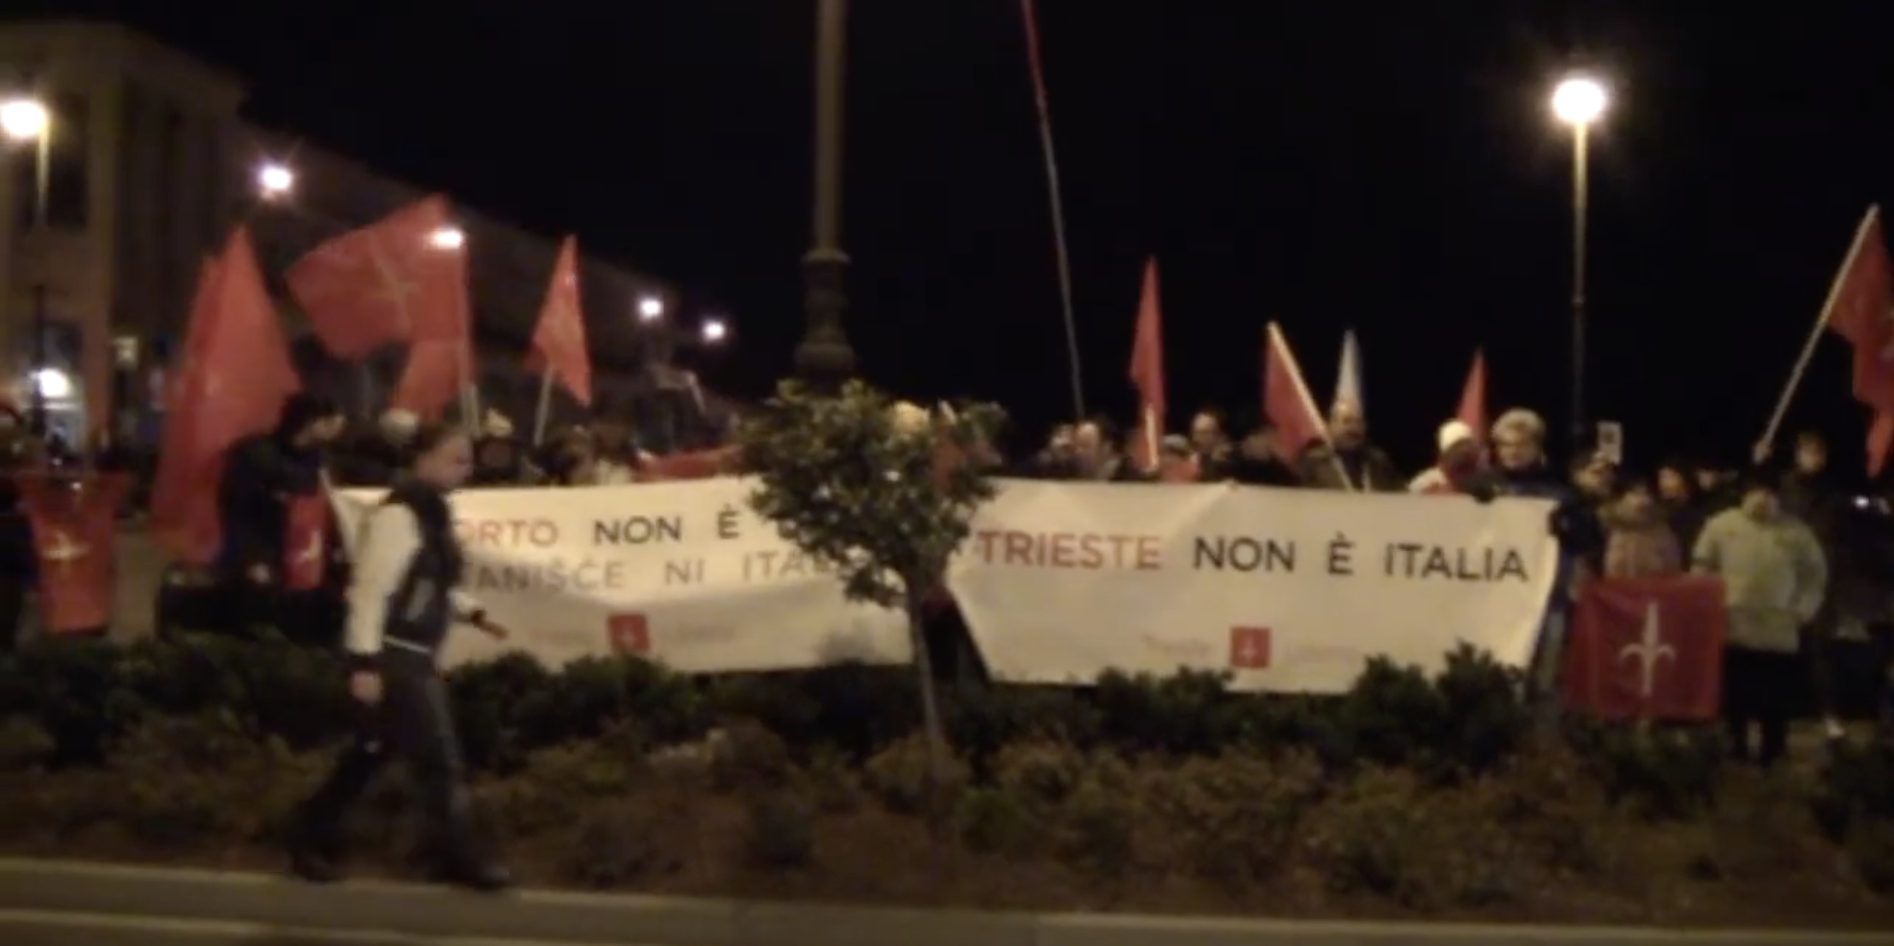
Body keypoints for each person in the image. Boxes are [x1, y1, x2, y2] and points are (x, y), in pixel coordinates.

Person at [287, 421, 513, 890]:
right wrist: (364, 663)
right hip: (397, 656)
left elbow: (425, 585)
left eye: (467, 459)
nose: (465, 468)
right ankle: (456, 857)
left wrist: (471, 612)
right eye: (456, 457)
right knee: (439, 759)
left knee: (369, 754)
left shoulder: (430, 514)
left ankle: (308, 833)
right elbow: (371, 591)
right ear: (422, 458)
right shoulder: (401, 515)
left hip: (410, 652)